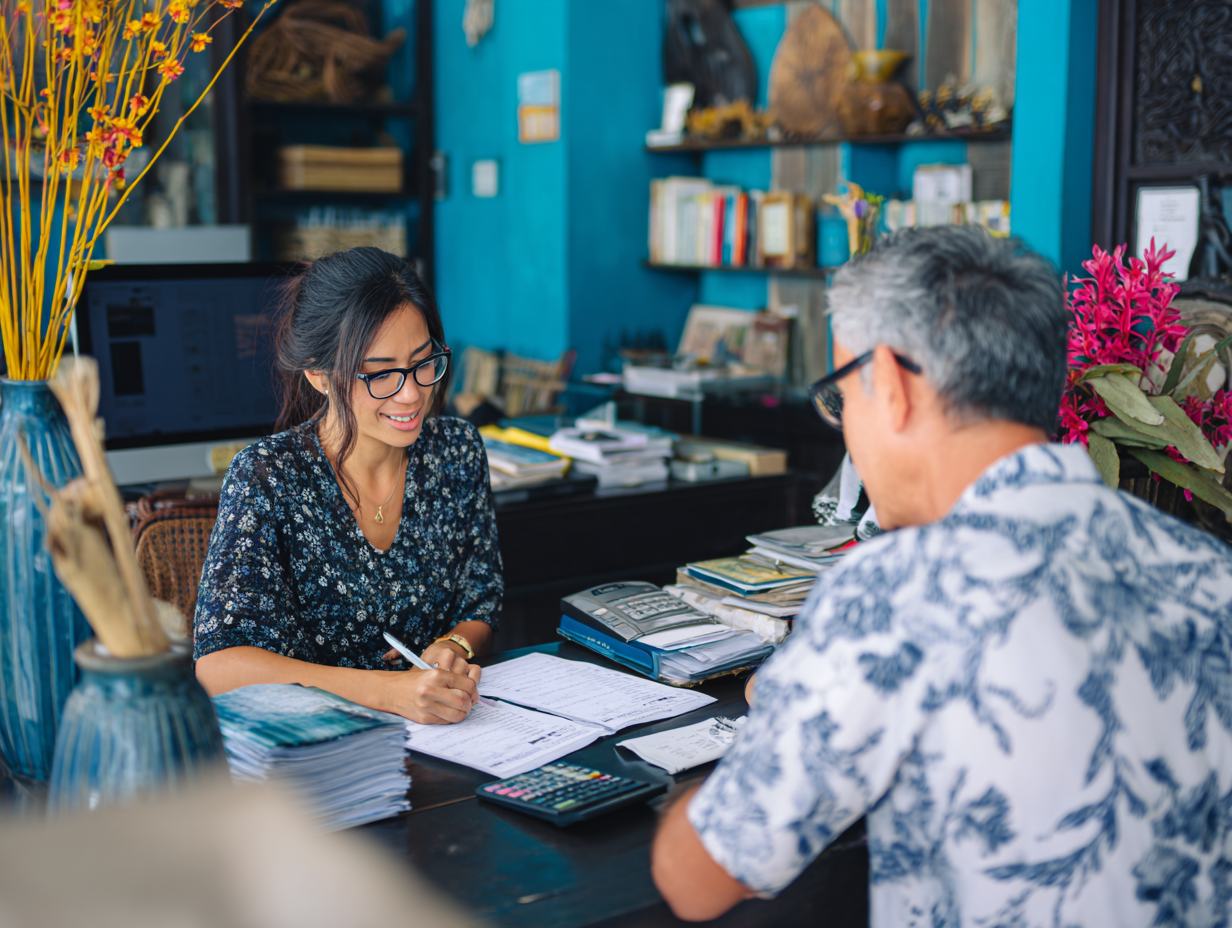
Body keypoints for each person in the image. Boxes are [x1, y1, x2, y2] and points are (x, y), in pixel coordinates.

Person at [651, 227, 1232, 925]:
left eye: (842, 399)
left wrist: (786, 713)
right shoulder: (1211, 572)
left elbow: (697, 878)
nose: (846, 428)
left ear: (891, 386)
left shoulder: (895, 594)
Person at [194, 248, 502, 725]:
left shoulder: (456, 452)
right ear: (318, 373)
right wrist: (390, 691)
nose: (412, 393)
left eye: (424, 363)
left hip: (440, 742)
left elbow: (480, 598)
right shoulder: (268, 477)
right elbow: (220, 666)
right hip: (315, 755)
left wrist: (453, 644)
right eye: (381, 374)